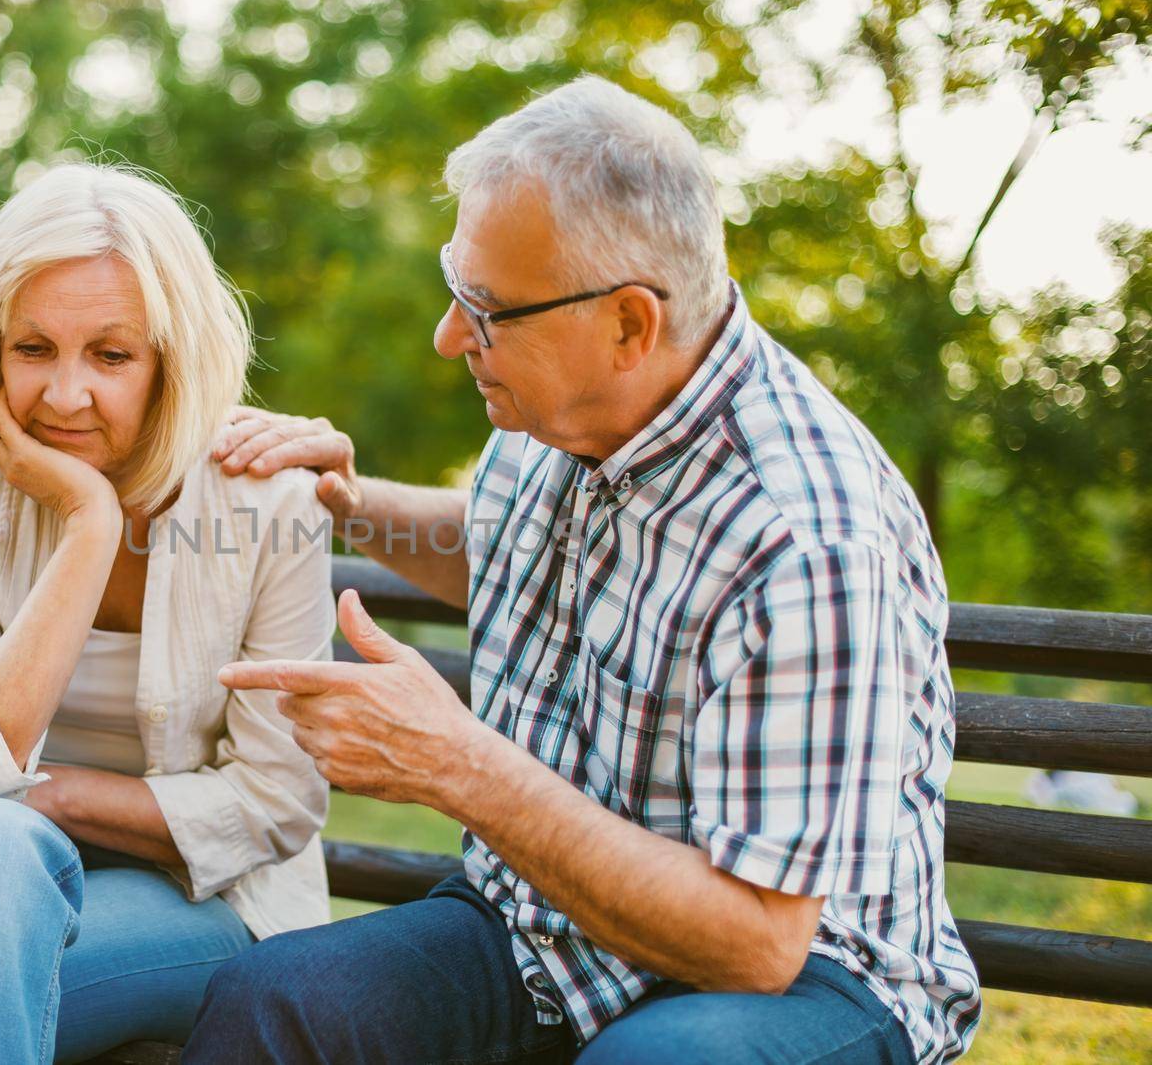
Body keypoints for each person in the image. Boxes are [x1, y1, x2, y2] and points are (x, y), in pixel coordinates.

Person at [190, 75, 981, 1064]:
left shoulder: (804, 536)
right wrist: (350, 500)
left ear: (628, 326)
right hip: (544, 929)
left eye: (486, 310)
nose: (448, 339)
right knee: (274, 1002)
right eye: (455, 289)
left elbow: (757, 940)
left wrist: (457, 763)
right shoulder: (550, 411)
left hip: (805, 977)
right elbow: (505, 555)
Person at [0, 163, 336, 1065]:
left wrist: (52, 799)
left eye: (111, 355)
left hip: (188, 900)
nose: (65, 395)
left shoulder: (265, 502)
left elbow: (277, 798)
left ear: (171, 360)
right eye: (32, 348)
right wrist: (90, 524)